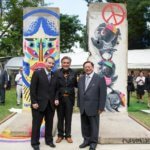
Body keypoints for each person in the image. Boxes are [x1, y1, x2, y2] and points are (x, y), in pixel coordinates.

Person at [30, 56, 58, 150]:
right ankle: (35, 143)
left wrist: (56, 98)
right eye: (49, 63)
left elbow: (56, 89)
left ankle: (49, 141)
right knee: (36, 125)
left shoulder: (54, 75)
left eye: (52, 63)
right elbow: (32, 89)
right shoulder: (37, 73)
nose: (51, 65)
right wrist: (34, 102)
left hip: (50, 105)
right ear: (45, 63)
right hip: (38, 105)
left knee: (49, 124)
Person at [77, 61, 107, 150]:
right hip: (83, 107)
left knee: (94, 126)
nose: (87, 68)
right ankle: (86, 140)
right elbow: (79, 92)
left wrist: (101, 107)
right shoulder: (81, 78)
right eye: (85, 67)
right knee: (84, 125)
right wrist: (79, 104)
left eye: (89, 67)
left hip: (94, 107)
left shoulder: (100, 78)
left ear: (93, 67)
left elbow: (103, 94)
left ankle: (93, 142)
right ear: (84, 68)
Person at [55, 56, 77, 143]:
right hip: (59, 99)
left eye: (67, 63)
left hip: (69, 99)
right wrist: (56, 98)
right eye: (64, 62)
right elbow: (55, 87)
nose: (66, 64)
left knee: (68, 118)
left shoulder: (74, 73)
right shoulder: (56, 73)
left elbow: (76, 84)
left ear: (70, 64)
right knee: (60, 118)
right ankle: (60, 135)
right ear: (61, 63)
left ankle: (68, 135)